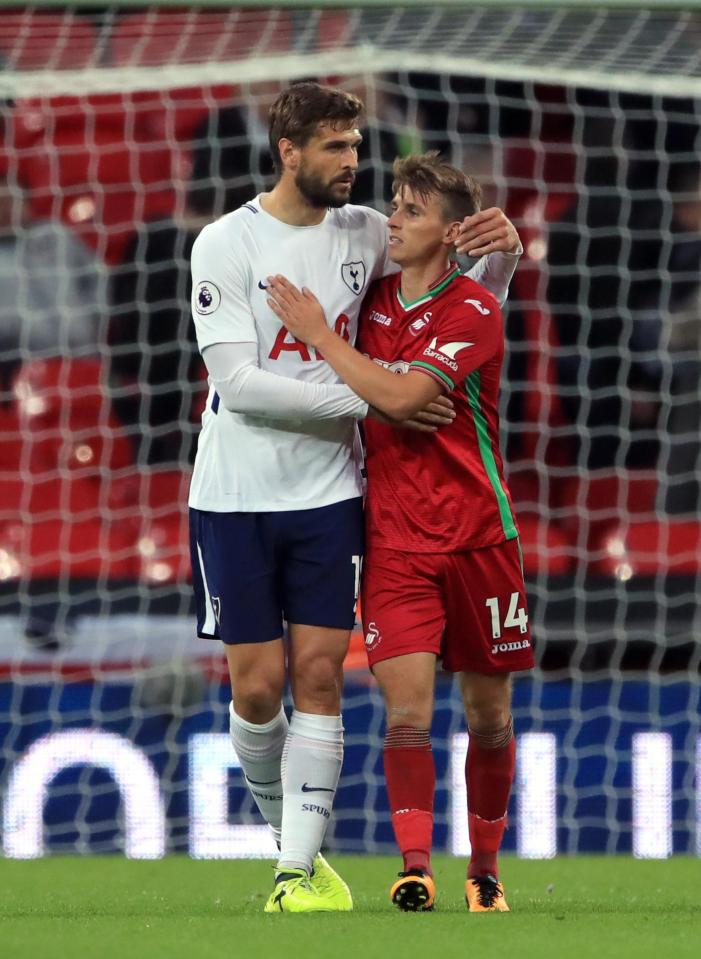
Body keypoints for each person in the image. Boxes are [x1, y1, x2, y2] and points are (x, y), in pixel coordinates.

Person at [188, 83, 522, 914]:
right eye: (335, 148)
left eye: (356, 146)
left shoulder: (367, 234)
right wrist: (373, 398)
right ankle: (291, 842)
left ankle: (297, 873)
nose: (353, 165)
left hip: (336, 493)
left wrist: (504, 251)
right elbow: (236, 383)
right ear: (288, 151)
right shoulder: (225, 242)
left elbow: (457, 292)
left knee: (322, 680)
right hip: (233, 487)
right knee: (257, 691)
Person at [267, 151, 532, 913]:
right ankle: (414, 866)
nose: (393, 218)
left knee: (489, 716)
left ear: (452, 234)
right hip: (395, 544)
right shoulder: (371, 301)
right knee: (406, 714)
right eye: (394, 204)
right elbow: (376, 395)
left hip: (481, 538)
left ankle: (483, 870)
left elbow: (403, 392)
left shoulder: (473, 310)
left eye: (411, 211)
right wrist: (360, 375)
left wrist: (323, 339)